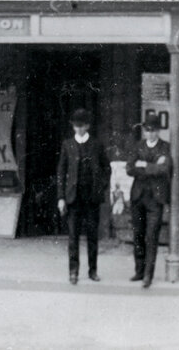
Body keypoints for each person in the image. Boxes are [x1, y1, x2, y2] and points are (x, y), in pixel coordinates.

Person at [56, 108, 110, 284]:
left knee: (92, 235)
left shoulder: (96, 145)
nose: (78, 129)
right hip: (73, 198)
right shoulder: (67, 145)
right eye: (75, 126)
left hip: (91, 198)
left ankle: (93, 271)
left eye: (81, 126)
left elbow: (106, 169)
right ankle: (73, 271)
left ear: (87, 126)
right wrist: (61, 197)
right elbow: (61, 172)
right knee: (73, 236)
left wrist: (100, 187)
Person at [126, 112, 171, 289]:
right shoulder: (138, 146)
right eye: (147, 130)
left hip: (156, 198)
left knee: (151, 236)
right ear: (144, 131)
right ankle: (139, 270)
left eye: (153, 130)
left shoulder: (165, 148)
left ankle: (148, 275)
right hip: (138, 196)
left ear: (158, 131)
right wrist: (152, 166)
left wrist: (143, 165)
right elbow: (129, 168)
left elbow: (165, 168)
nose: (150, 134)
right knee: (138, 234)